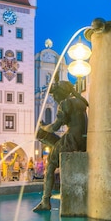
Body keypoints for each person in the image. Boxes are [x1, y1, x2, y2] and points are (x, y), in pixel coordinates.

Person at [33, 80, 89, 212]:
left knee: (50, 166)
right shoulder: (79, 101)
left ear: (59, 94)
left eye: (54, 96)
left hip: (71, 140)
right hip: (82, 139)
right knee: (54, 143)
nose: (54, 98)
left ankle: (45, 200)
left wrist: (42, 126)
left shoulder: (65, 103)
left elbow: (54, 127)